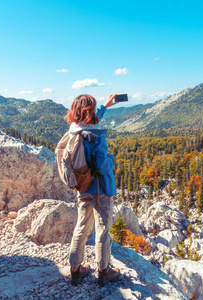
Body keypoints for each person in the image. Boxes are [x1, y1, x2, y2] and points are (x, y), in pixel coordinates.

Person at [64, 93, 120, 286]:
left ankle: (75, 270)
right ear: (90, 112)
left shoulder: (73, 131)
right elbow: (104, 166)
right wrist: (112, 159)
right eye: (94, 108)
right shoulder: (96, 137)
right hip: (100, 189)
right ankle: (104, 270)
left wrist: (106, 106)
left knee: (81, 226)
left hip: (83, 186)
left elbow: (92, 121)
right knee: (102, 229)